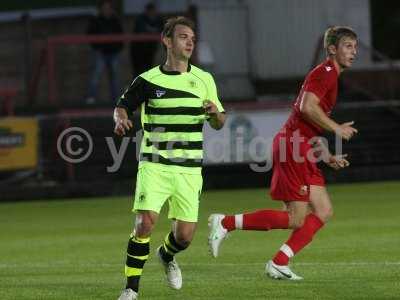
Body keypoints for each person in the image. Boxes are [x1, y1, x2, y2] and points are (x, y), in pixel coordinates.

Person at [208, 26, 358, 280]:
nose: (353, 52)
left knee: (323, 210)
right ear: (332, 49)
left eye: (355, 47)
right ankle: (226, 223)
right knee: (296, 218)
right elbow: (306, 108)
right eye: (347, 46)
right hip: (292, 147)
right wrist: (336, 128)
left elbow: (309, 123)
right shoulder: (327, 72)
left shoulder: (330, 75)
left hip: (302, 147)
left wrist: (326, 154)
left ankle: (279, 262)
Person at [114, 16, 226, 300]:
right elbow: (122, 106)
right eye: (183, 37)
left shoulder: (204, 79)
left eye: (192, 38)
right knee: (144, 224)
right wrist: (121, 119)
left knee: (185, 237)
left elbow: (219, 122)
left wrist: (215, 114)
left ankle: (166, 255)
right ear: (167, 41)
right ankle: (130, 289)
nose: (190, 42)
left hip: (189, 170)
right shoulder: (148, 80)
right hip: (155, 164)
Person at [86, 0, 124, 104]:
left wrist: (118, 48)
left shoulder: (115, 20)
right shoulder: (96, 20)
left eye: (108, 8)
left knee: (115, 77)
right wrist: (97, 48)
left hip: (114, 53)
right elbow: (89, 35)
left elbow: (121, 36)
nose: (106, 10)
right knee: (95, 76)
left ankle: (116, 99)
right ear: (101, 9)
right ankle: (91, 98)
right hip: (100, 53)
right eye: (104, 8)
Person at [130, 3, 163, 78]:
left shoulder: (159, 20)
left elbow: (162, 31)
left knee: (149, 70)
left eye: (153, 11)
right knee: (138, 72)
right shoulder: (140, 19)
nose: (152, 13)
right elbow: (139, 32)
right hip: (138, 50)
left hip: (151, 49)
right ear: (146, 11)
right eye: (150, 11)